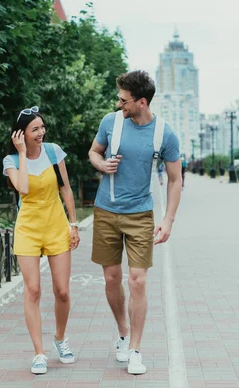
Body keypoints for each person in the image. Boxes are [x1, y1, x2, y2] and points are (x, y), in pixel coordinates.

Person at [88, 71, 182, 375]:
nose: (119, 104)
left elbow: (176, 178)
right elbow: (93, 152)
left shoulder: (164, 134)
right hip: (106, 211)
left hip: (141, 215)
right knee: (112, 279)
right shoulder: (110, 122)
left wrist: (167, 220)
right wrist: (101, 164)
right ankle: (123, 331)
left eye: (124, 100)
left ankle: (136, 349)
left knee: (137, 280)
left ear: (142, 102)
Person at [3, 106, 80, 375]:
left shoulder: (53, 151)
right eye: (35, 129)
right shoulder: (11, 161)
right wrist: (22, 153)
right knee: (33, 289)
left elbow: (66, 188)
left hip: (56, 226)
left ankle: (60, 338)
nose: (41, 133)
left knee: (62, 290)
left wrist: (73, 223)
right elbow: (22, 188)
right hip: (28, 230)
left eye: (42, 127)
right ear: (21, 133)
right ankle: (39, 352)